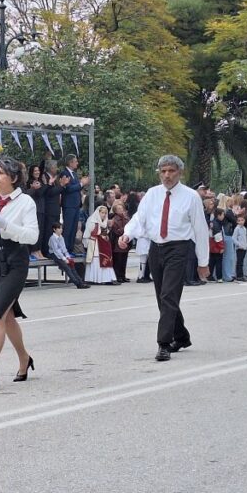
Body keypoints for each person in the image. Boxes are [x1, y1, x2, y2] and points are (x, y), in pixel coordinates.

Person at [120, 155, 210, 362]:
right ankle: (181, 336)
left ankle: (163, 343)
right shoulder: (152, 194)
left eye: (171, 171)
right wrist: (128, 234)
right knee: (163, 295)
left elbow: (200, 229)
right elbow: (139, 218)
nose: (167, 175)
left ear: (180, 172)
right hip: (156, 247)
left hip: (179, 248)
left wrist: (203, 262)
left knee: (169, 295)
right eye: (163, 171)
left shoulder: (191, 197)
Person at [0, 158, 39, 393]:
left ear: (13, 178)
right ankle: (24, 358)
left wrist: (7, 226)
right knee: (7, 316)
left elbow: (32, 237)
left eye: (1, 173)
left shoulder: (25, 202)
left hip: (15, 260)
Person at [47, 222, 89, 289]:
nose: (61, 230)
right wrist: (64, 259)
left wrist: (68, 257)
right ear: (54, 229)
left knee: (72, 267)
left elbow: (64, 248)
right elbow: (56, 251)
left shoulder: (61, 237)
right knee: (67, 268)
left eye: (61, 228)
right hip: (54, 255)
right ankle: (77, 283)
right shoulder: (52, 238)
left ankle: (81, 282)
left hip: (62, 254)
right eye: (59, 228)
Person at [83, 205, 118, 285]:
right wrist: (88, 244)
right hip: (94, 244)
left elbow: (104, 233)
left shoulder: (104, 222)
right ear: (98, 213)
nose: (104, 214)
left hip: (103, 245)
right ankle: (93, 279)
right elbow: (87, 234)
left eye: (105, 213)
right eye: (102, 213)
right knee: (95, 261)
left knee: (104, 260)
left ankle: (106, 278)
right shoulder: (92, 221)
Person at [60, 154, 85, 254]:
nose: (77, 163)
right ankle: (65, 248)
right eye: (75, 161)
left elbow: (77, 187)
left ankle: (70, 248)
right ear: (70, 162)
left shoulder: (74, 174)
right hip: (69, 204)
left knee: (74, 228)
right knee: (68, 228)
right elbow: (69, 188)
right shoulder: (64, 173)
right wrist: (81, 184)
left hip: (75, 204)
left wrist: (81, 184)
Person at [108, 202, 130, 283]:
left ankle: (123, 275)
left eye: (122, 208)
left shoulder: (127, 218)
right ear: (115, 211)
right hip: (117, 243)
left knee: (124, 260)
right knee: (118, 261)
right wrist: (125, 229)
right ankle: (117, 276)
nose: (121, 210)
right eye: (119, 209)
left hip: (126, 242)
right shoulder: (115, 220)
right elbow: (116, 232)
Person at [233, 213, 247, 282]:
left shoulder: (244, 228)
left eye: (242, 220)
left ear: (244, 220)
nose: (241, 222)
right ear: (237, 222)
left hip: (244, 247)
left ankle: (241, 275)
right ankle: (239, 276)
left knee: (242, 261)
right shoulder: (237, 229)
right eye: (239, 220)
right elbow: (233, 238)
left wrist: (245, 246)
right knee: (239, 262)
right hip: (239, 248)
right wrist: (239, 245)